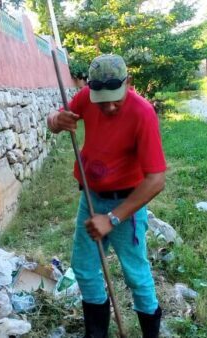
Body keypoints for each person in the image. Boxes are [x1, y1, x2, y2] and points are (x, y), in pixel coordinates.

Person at [46, 54, 167, 338]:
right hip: (91, 197)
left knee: (135, 275)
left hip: (127, 202)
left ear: (129, 83)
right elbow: (55, 122)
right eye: (102, 100)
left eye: (116, 98)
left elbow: (156, 180)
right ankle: (96, 334)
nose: (110, 106)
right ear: (90, 89)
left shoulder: (142, 112)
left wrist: (112, 219)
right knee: (85, 269)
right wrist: (56, 119)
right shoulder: (87, 97)